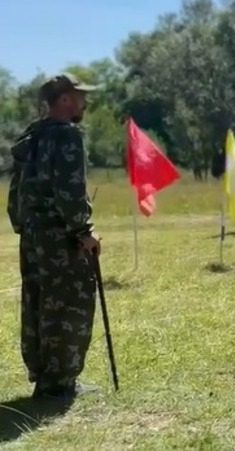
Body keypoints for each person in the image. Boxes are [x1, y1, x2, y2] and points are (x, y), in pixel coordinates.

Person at [7, 73, 101, 398]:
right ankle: (60, 382)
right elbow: (69, 189)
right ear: (64, 100)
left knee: (37, 301)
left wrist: (23, 225)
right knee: (68, 305)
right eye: (79, 96)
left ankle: (42, 373)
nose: (84, 102)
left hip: (33, 236)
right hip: (60, 237)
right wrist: (83, 231)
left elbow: (16, 190)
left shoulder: (31, 136)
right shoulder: (67, 136)